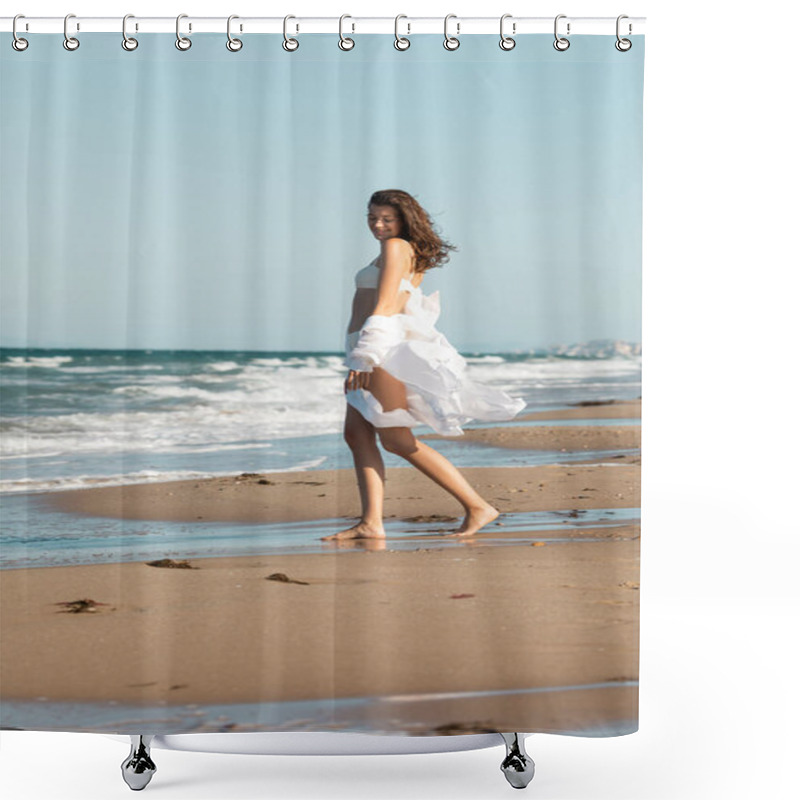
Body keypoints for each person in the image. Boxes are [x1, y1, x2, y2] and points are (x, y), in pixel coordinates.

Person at [323, 189, 526, 542]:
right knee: (357, 435)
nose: (378, 224)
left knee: (396, 438)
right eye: (372, 217)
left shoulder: (396, 247)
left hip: (378, 351)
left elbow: (386, 305)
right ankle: (370, 523)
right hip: (369, 347)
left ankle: (478, 506)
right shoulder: (401, 250)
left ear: (404, 219)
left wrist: (364, 356)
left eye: (387, 218)